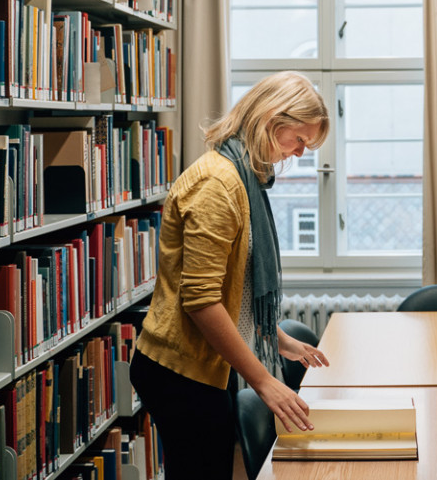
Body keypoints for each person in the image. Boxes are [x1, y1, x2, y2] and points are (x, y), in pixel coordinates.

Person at [130, 71, 331, 478]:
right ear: (273, 122)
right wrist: (264, 382)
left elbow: (233, 290)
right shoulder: (217, 185)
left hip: (206, 360)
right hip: (178, 368)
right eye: (300, 140)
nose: (300, 153)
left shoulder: (242, 177)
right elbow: (201, 301)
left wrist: (280, 340)